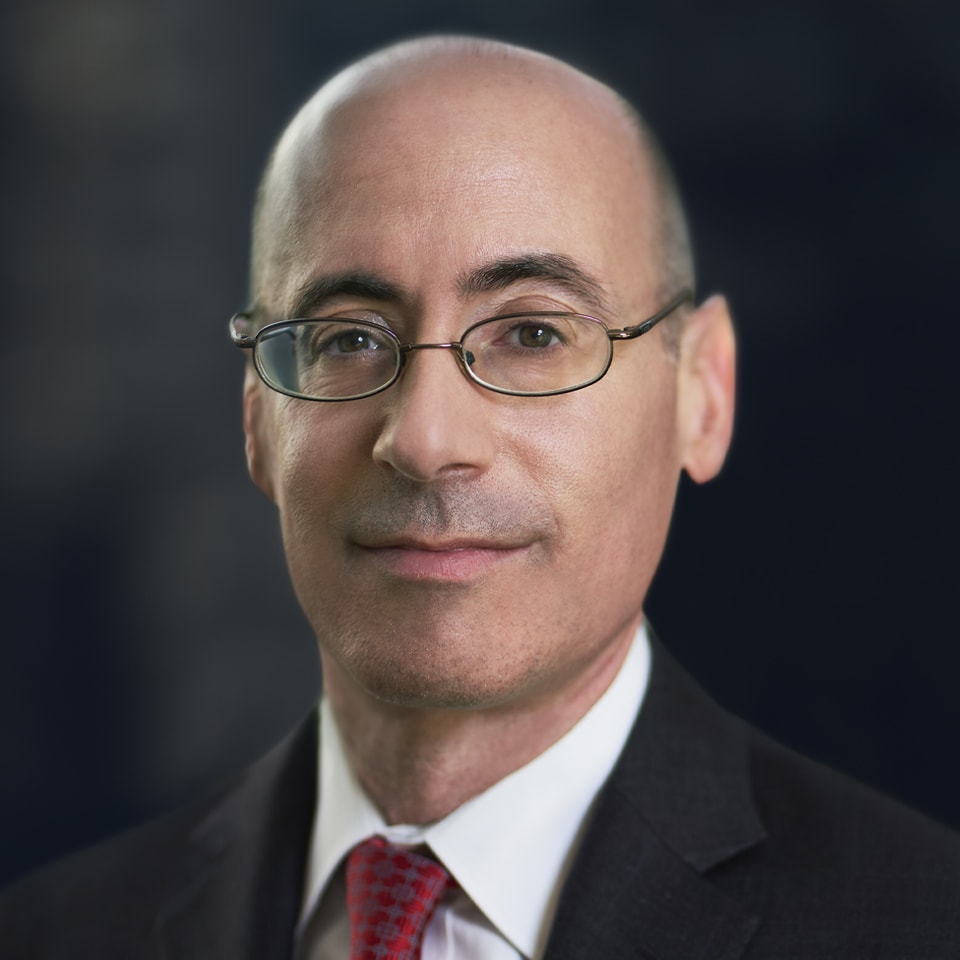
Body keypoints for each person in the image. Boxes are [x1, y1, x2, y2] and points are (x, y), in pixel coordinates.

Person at [2, 34, 959, 960]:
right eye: (349, 339)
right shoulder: (52, 936)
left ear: (702, 394)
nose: (425, 442)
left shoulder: (922, 927)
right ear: (257, 418)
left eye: (533, 335)